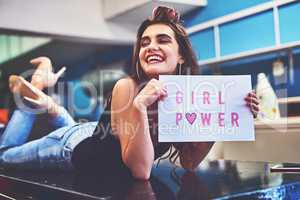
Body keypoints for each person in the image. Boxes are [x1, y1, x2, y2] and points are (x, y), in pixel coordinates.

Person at [0, 6, 259, 180]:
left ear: (181, 55)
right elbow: (141, 170)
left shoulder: (186, 97)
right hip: (71, 148)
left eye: (162, 40)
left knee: (82, 131)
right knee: (5, 156)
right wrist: (139, 107)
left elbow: (190, 161)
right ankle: (28, 98)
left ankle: (44, 95)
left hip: (93, 133)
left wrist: (218, 118)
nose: (150, 47)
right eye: (145, 42)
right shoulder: (128, 87)